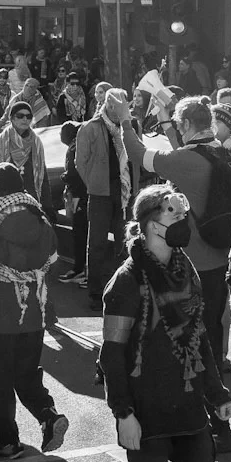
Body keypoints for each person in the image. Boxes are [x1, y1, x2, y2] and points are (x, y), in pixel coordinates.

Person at [100, 184, 231, 462]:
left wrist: (216, 392)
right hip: (145, 408)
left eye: (182, 214)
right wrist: (123, 414)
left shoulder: (185, 268)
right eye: (174, 215)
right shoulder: (125, 282)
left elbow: (199, 335)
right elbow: (112, 355)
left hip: (187, 402)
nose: (182, 222)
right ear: (150, 224)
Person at [0, 160, 69, 459]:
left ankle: (7, 440)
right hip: (34, 312)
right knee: (26, 374)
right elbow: (52, 262)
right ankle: (48, 415)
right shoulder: (41, 218)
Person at [147, 96, 231, 362]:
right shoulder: (221, 149)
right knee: (215, 320)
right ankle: (216, 367)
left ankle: (196, 371)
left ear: (186, 124)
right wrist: (166, 122)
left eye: (179, 125)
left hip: (195, 257)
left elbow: (141, 155)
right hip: (223, 250)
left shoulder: (187, 159)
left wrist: (125, 123)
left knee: (190, 322)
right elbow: (184, 151)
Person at [74, 87, 141, 307]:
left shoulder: (132, 126)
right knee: (97, 244)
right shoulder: (90, 127)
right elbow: (80, 162)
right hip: (100, 193)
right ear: (109, 105)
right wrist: (94, 183)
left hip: (125, 191)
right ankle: (95, 293)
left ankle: (123, 291)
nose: (122, 110)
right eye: (118, 106)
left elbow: (137, 154)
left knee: (125, 241)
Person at [0, 99, 48, 201]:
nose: (25, 119)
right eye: (20, 116)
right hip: (7, 198)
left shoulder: (36, 143)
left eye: (28, 116)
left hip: (32, 198)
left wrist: (47, 206)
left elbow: (43, 176)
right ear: (12, 118)